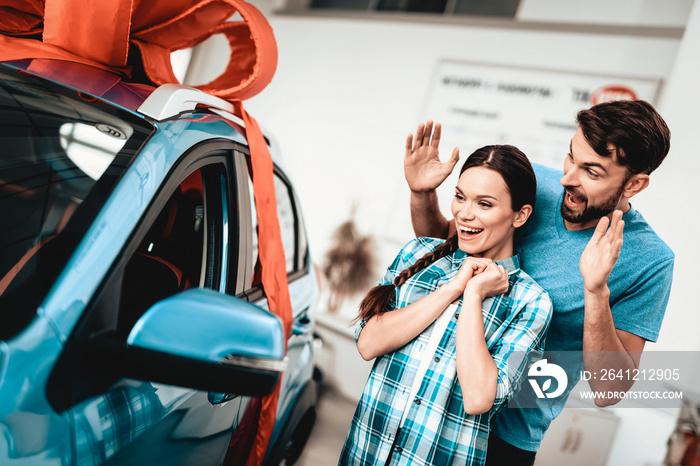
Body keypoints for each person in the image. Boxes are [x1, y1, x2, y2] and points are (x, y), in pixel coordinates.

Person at [405, 100, 674, 465]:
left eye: (591, 172)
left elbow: (609, 388)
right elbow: (447, 244)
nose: (568, 179)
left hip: (506, 436)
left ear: (635, 184)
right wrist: (422, 194)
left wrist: (596, 291)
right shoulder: (536, 185)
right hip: (437, 394)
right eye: (570, 158)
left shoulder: (650, 260)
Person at [339, 145, 553, 465]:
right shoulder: (418, 253)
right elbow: (368, 343)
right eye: (460, 196)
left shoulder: (531, 302)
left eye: (484, 204)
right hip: (363, 454)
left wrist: (473, 296)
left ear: (519, 215)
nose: (464, 213)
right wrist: (454, 287)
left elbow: (479, 397)